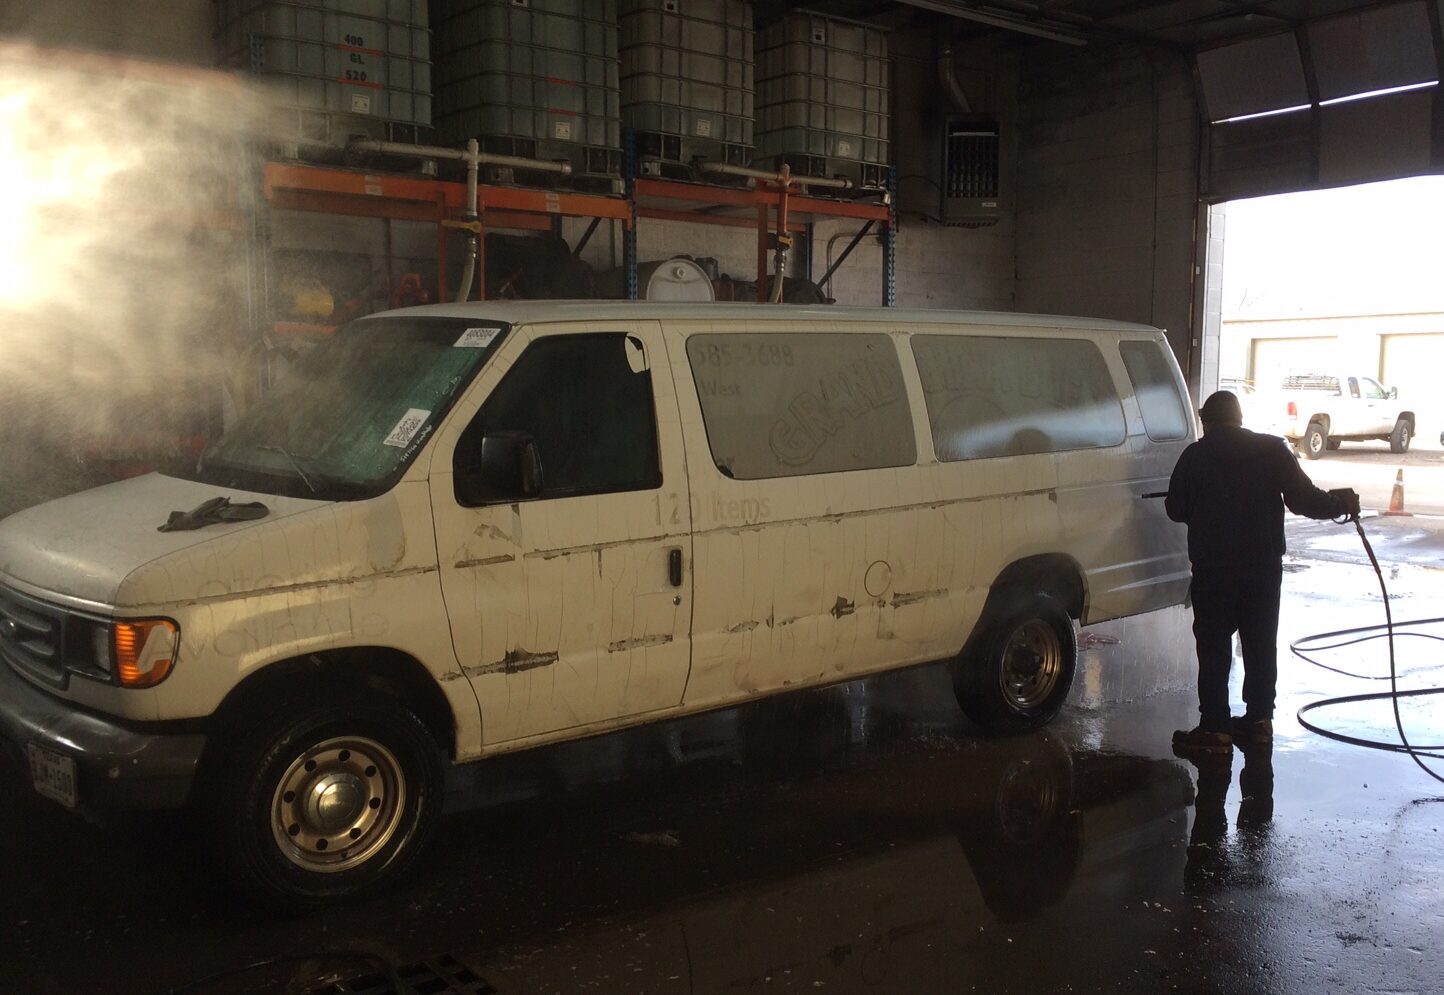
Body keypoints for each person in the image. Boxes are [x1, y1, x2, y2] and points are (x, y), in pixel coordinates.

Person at [1165, 390, 1359, 757]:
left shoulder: (1195, 456)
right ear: (1239, 418)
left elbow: (1175, 509)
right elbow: (1305, 500)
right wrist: (1341, 504)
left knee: (1214, 647)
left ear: (1207, 421)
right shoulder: (1272, 450)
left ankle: (1216, 728)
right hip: (1262, 569)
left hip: (1214, 569)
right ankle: (1258, 722)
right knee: (1259, 642)